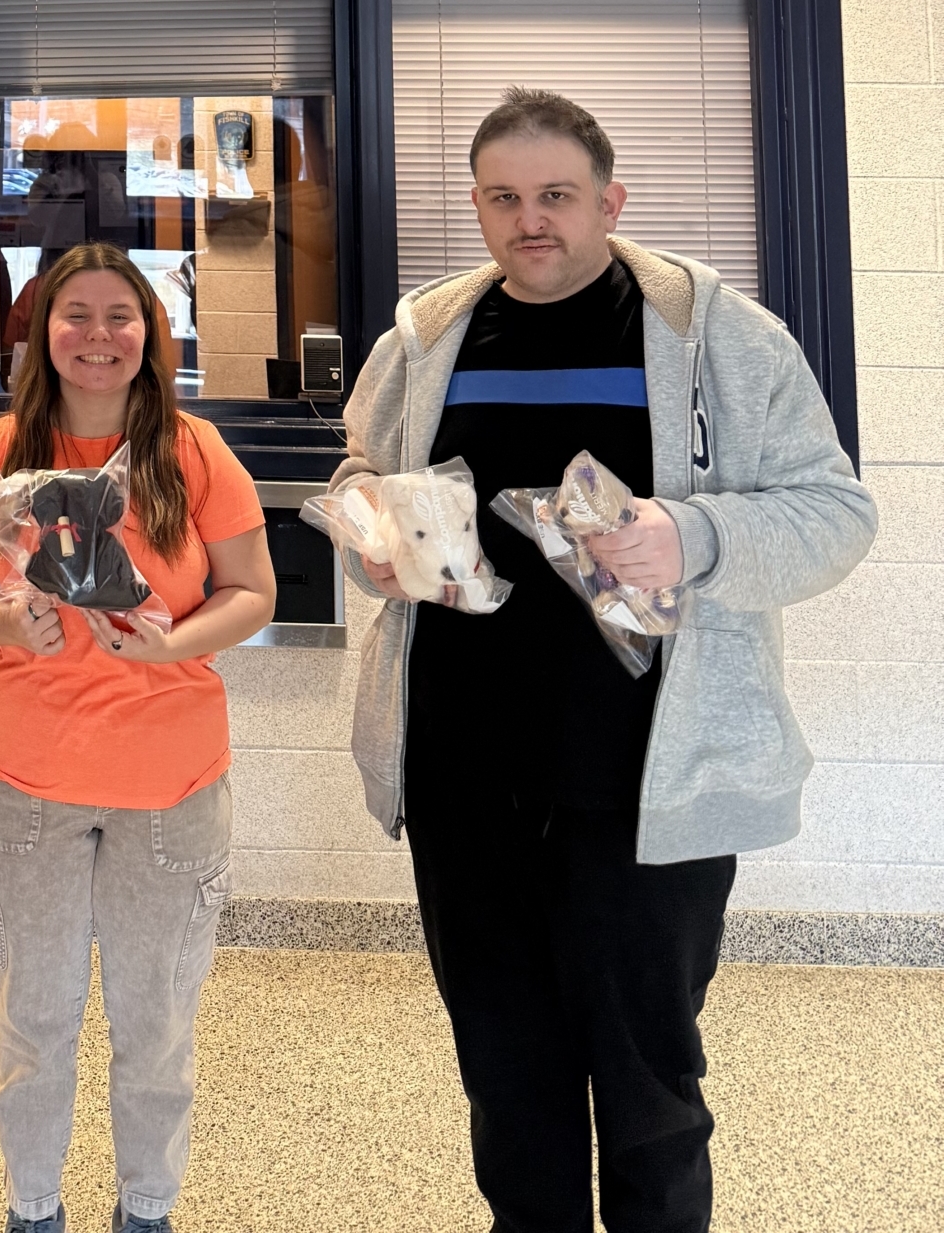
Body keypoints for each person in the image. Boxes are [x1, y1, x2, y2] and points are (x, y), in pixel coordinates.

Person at [333, 87, 876, 1232]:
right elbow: (359, 474)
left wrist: (699, 535)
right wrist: (368, 534)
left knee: (650, 1094)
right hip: (463, 777)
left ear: (610, 200)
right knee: (506, 1082)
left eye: (557, 196)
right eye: (505, 198)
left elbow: (836, 514)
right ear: (479, 208)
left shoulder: (720, 334)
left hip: (648, 786)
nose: (532, 221)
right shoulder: (425, 337)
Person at [0, 241, 277, 1233]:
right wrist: (2, 620)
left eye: (118, 315)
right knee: (33, 1024)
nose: (96, 335)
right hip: (24, 782)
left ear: (151, 332)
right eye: (73, 313)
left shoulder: (193, 451)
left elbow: (249, 591)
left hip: (171, 789)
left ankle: (147, 1211)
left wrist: (176, 648)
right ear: (41, 329)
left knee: (157, 1029)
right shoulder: (1, 452)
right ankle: (33, 1210)